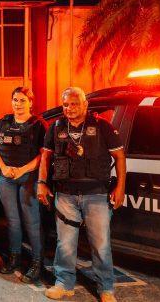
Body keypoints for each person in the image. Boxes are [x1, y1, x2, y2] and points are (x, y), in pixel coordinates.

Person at [38, 87, 126, 302]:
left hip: (96, 194)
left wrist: (120, 187)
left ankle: (106, 288)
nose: (70, 108)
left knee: (100, 244)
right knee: (65, 243)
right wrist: (41, 183)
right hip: (65, 194)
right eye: (66, 104)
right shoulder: (56, 127)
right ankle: (64, 283)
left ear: (85, 105)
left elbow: (120, 157)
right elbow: (46, 158)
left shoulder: (102, 126)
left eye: (75, 104)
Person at [0, 87, 47, 282]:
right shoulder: (4, 122)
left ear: (31, 102)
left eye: (22, 100)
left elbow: (44, 155)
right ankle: (14, 258)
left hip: (29, 178)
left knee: (32, 221)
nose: (18, 104)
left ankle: (37, 263)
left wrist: (22, 170)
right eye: (15, 99)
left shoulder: (38, 124)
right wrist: (3, 167)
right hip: (6, 178)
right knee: (12, 221)